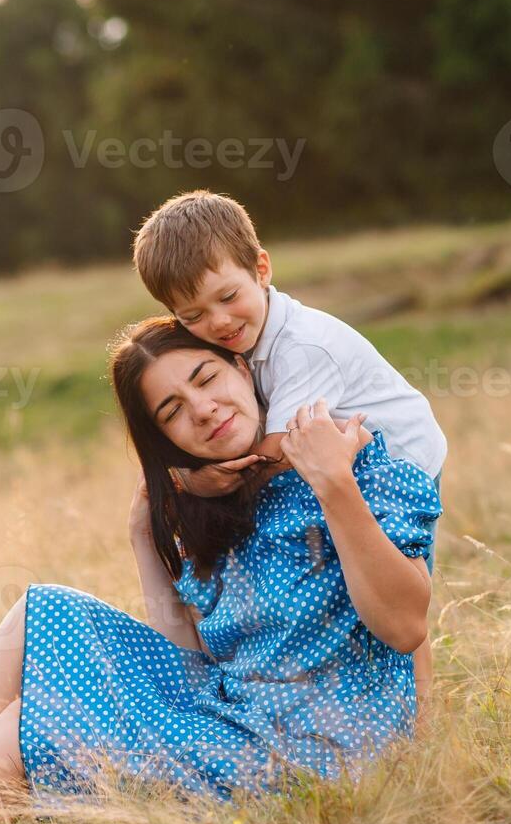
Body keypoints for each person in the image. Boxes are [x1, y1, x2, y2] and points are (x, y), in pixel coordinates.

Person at [0, 318, 441, 815]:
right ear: (166, 440)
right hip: (230, 724)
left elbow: (407, 627)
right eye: (172, 410)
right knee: (42, 608)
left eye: (206, 379)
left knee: (24, 729)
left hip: (319, 753)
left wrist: (334, 484)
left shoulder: (350, 457)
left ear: (241, 367)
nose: (201, 409)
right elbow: (187, 665)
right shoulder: (221, 503)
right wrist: (143, 538)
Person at [132, 189, 448, 700]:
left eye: (228, 297)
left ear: (261, 268)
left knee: (400, 579)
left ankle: (423, 714)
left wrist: (199, 479)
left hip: (401, 464)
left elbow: (281, 448)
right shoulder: (248, 338)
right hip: (351, 463)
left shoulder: (302, 346)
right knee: (357, 577)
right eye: (192, 316)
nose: (217, 323)